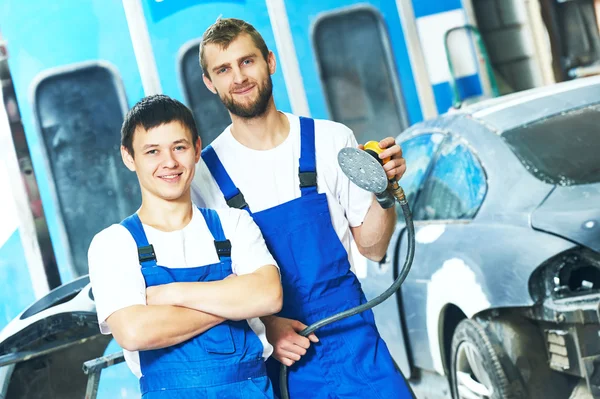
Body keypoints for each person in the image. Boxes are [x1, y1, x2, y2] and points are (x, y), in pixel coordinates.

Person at [192, 18, 414, 398]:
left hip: (356, 343)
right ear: (210, 83)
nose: (239, 77)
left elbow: (374, 247)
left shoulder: (331, 140)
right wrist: (267, 327)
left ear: (270, 62)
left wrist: (385, 192)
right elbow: (213, 288)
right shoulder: (204, 178)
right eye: (223, 69)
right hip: (284, 362)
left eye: (248, 61)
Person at [88, 94, 282, 398]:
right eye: (152, 151)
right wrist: (233, 303)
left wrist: (173, 294)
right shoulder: (113, 244)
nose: (170, 163)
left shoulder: (233, 225)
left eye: (179, 147)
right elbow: (134, 331)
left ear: (196, 149)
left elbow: (269, 296)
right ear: (129, 157)